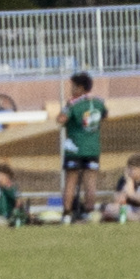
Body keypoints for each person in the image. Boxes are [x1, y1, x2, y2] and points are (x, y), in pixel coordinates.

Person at [56, 72, 107, 216]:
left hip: (74, 148)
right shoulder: (98, 102)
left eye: (73, 86)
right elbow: (104, 115)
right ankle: (90, 212)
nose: (71, 89)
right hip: (92, 148)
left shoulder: (73, 104)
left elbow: (61, 119)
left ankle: (67, 212)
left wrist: (65, 110)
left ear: (80, 88)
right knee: (90, 182)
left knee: (71, 180)